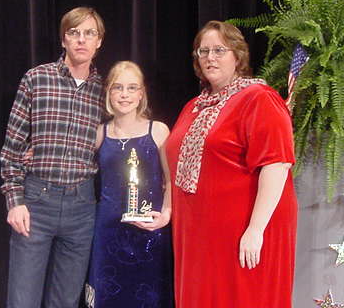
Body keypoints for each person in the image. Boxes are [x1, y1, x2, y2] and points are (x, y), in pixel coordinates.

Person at [166, 20, 298, 307]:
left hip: (241, 235)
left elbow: (277, 164)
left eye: (219, 50)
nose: (210, 58)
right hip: (198, 238)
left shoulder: (259, 98)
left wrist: (255, 229)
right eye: (203, 51)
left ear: (237, 55)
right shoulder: (193, 106)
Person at [0, 7, 105, 308]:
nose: (81, 39)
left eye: (89, 33)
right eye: (74, 32)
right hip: (37, 201)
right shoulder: (37, 79)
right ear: (63, 39)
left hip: (82, 206)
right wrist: (15, 200)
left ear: (99, 41)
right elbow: (12, 147)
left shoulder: (106, 90)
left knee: (66, 300)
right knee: (23, 299)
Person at [85, 61, 173, 308]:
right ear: (108, 92)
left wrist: (166, 214)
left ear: (141, 93)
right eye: (118, 87)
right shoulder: (99, 133)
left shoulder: (158, 131)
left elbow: (171, 180)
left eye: (132, 88)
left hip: (149, 229)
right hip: (108, 231)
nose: (124, 94)